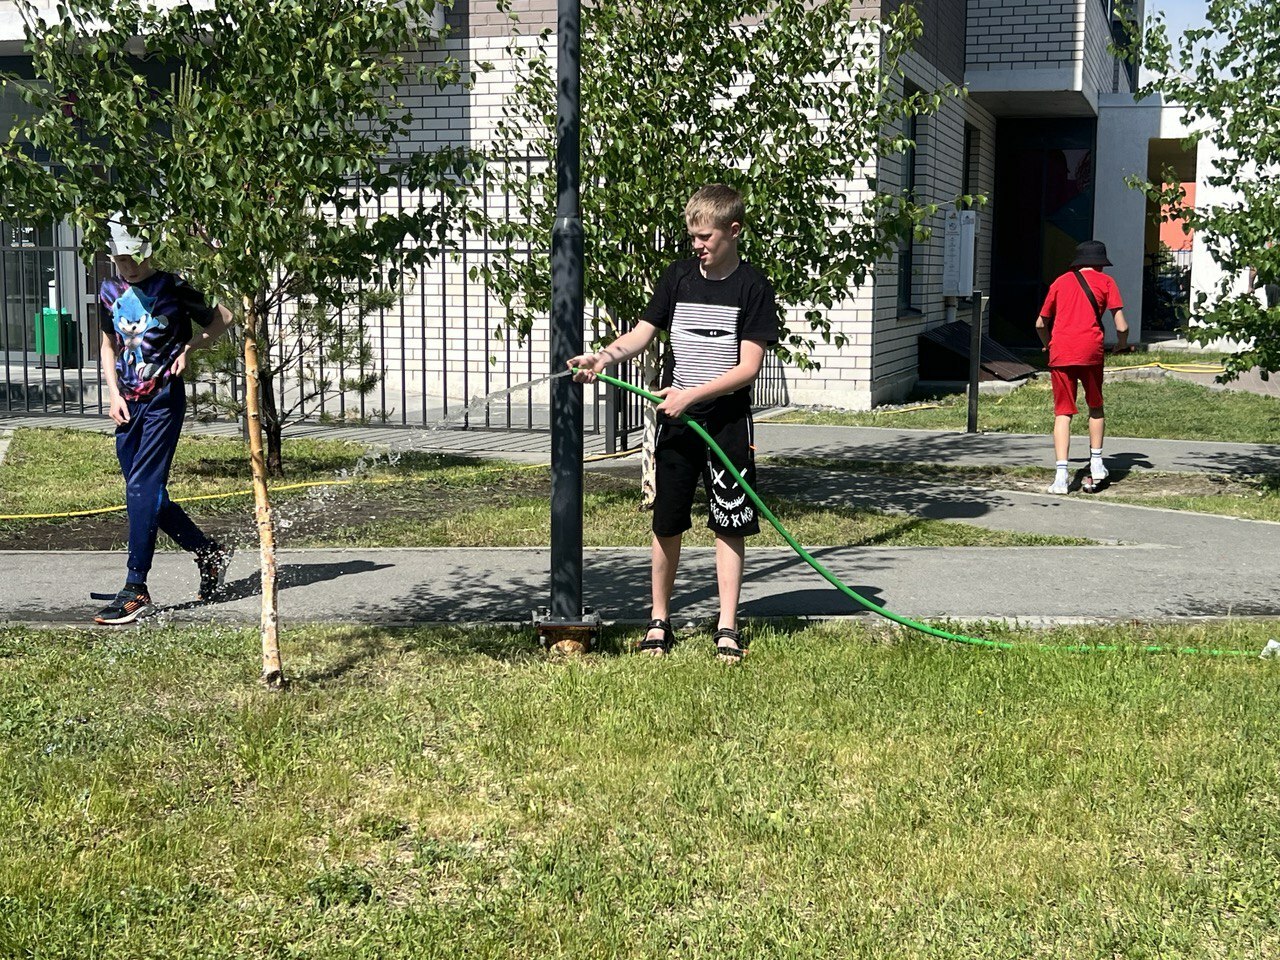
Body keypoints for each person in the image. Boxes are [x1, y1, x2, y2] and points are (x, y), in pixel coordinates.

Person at [569, 184, 779, 662]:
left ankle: (727, 626)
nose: (697, 245)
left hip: (726, 422)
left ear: (733, 231)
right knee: (667, 521)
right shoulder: (678, 277)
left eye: (706, 237)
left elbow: (748, 368)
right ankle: (658, 621)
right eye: (692, 237)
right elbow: (642, 334)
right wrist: (603, 357)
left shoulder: (753, 287)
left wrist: (692, 395)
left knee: (730, 523)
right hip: (676, 420)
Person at [92, 216, 236, 624]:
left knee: (142, 487)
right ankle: (209, 553)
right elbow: (107, 345)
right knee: (147, 493)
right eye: (121, 259)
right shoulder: (109, 290)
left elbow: (223, 318)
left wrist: (188, 348)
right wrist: (113, 393)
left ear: (148, 253)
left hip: (162, 400)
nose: (129, 266)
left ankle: (135, 588)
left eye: (135, 257)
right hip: (127, 403)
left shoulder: (173, 285)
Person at [1035, 239, 1129, 495]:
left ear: (1077, 263)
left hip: (1061, 351)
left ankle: (1061, 477)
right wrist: (1121, 344)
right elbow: (1122, 326)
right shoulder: (1107, 282)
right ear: (1101, 264)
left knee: (1063, 413)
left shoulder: (1060, 282)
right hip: (1091, 351)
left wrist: (1048, 344)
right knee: (1095, 406)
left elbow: (1040, 323)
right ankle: (1096, 463)